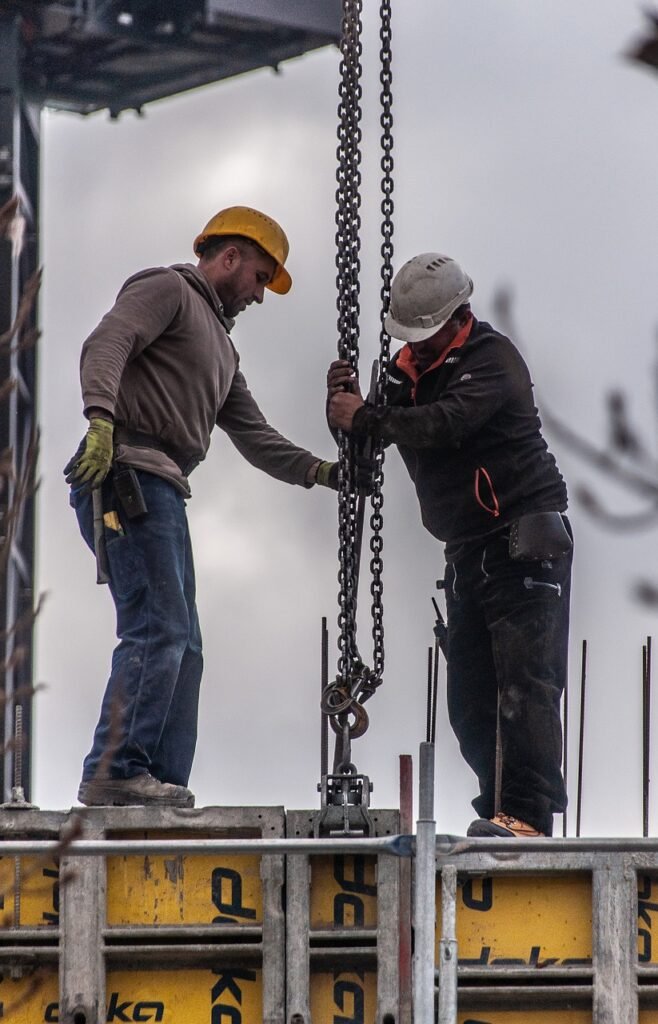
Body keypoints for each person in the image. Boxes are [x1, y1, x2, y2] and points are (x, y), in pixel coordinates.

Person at [66, 205, 338, 808]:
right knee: (157, 626)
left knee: (184, 640)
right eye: (262, 278)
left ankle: (157, 779)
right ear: (231, 256)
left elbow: (255, 436)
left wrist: (320, 473)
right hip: (125, 474)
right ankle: (115, 769)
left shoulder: (221, 350)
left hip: (161, 487)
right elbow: (108, 341)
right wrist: (100, 419)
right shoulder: (168, 289)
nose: (261, 296)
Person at [327, 253, 572, 838]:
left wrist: (366, 417)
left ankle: (528, 816)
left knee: (525, 686)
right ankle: (498, 808)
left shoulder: (492, 360)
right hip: (467, 552)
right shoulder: (404, 371)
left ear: (458, 316)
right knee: (469, 702)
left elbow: (445, 423)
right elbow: (369, 442)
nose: (416, 346)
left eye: (426, 334)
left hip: (524, 544)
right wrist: (347, 412)